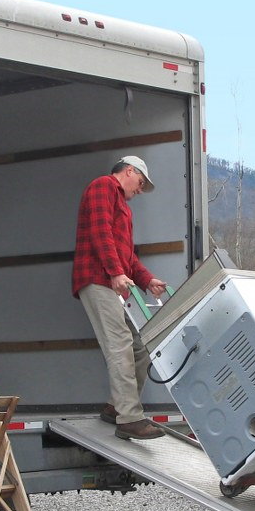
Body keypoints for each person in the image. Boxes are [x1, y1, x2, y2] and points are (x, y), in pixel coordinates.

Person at [72, 156, 167, 440]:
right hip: (98, 279)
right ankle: (129, 418)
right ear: (129, 171)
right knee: (120, 344)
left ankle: (116, 409)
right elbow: (100, 234)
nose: (140, 190)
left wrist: (147, 279)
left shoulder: (123, 208)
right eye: (140, 183)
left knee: (140, 348)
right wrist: (115, 272)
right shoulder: (103, 186)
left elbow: (127, 256)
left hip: (112, 283)